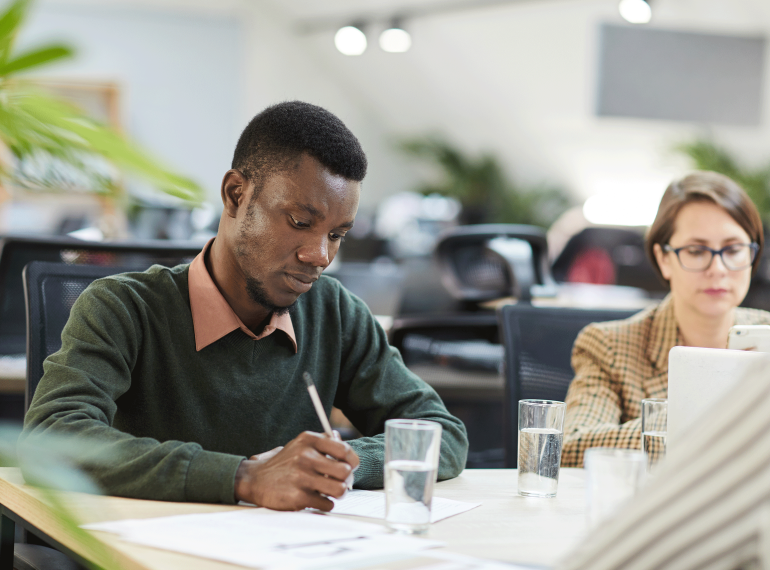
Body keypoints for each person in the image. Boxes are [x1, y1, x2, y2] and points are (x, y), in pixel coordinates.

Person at [20, 101, 468, 511]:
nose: (320, 255)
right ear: (236, 195)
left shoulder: (336, 313)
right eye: (300, 222)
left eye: (337, 235)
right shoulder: (123, 308)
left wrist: (346, 464)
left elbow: (441, 433)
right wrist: (244, 477)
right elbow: (52, 437)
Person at [561, 171, 770, 468]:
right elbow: (573, 448)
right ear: (663, 259)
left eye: (734, 249)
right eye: (697, 251)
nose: (718, 267)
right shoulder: (608, 346)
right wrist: (699, 421)